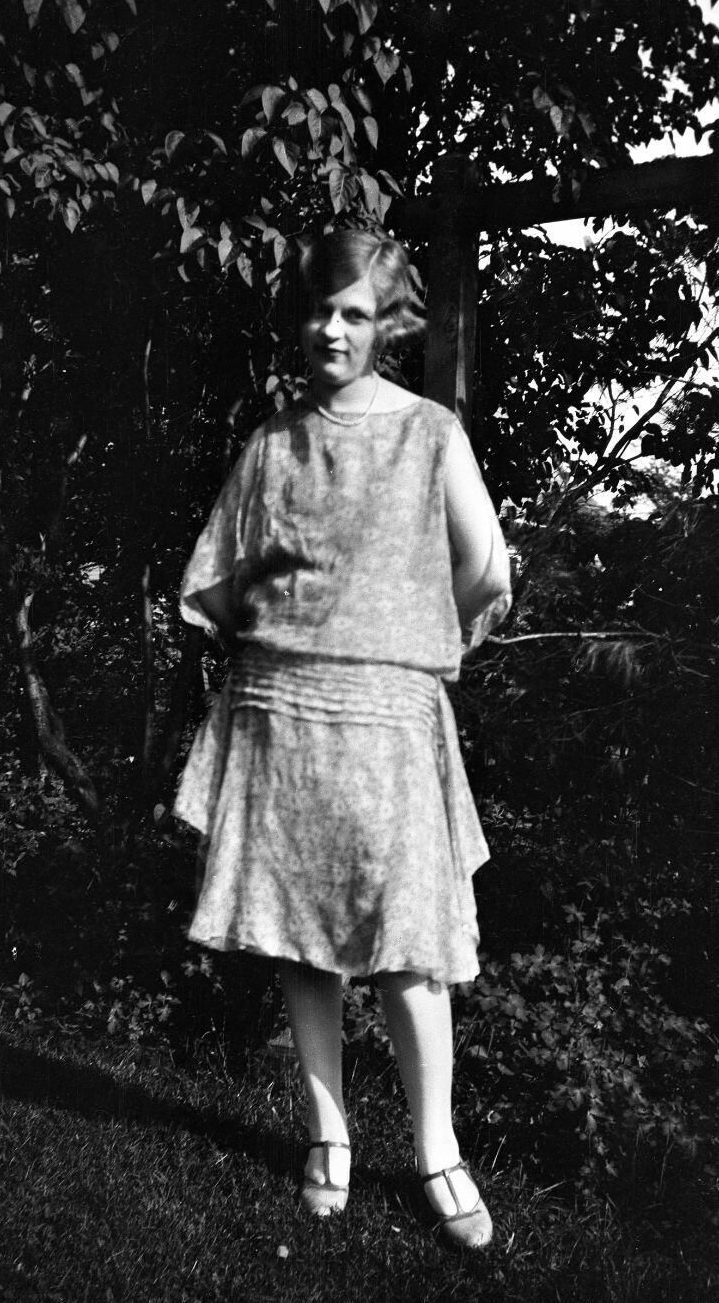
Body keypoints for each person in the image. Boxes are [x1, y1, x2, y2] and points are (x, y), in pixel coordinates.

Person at [173, 230, 511, 1250]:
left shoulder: (430, 433)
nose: (332, 329)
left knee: (410, 947)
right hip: (283, 714)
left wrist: (402, 635)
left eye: (354, 313)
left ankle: (436, 1152)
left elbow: (484, 570)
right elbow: (220, 582)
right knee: (300, 937)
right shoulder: (272, 444)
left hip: (391, 719)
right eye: (320, 310)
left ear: (387, 325)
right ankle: (329, 1138)